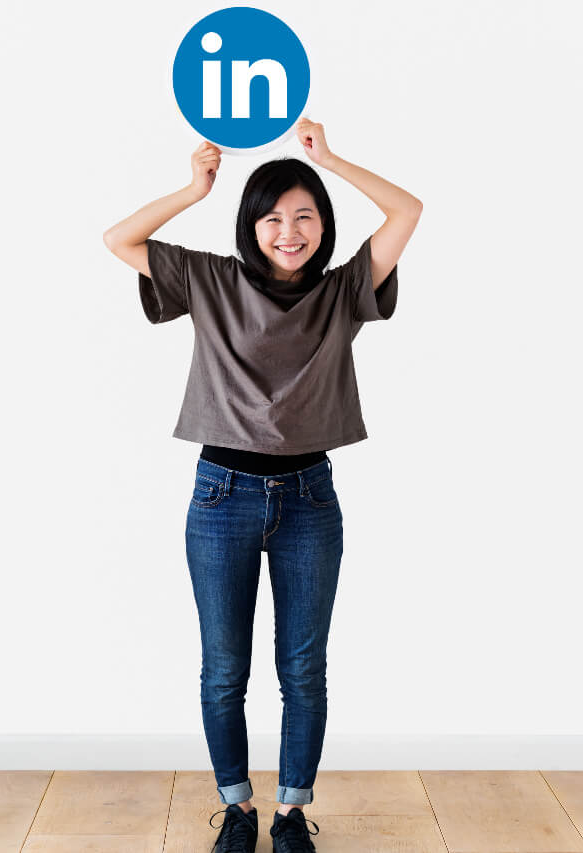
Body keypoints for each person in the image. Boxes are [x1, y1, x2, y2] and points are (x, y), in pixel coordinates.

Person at [103, 118, 422, 853]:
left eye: (305, 215)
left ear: (323, 226)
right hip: (221, 495)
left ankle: (289, 814)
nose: (290, 230)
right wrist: (193, 189)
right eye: (274, 216)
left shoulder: (346, 291)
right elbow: (119, 240)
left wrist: (331, 159)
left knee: (303, 670)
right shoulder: (209, 279)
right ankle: (238, 810)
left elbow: (408, 211)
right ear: (251, 225)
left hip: (311, 497)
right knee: (225, 669)